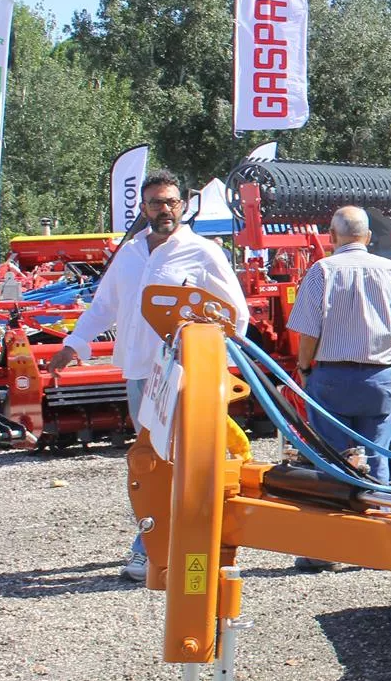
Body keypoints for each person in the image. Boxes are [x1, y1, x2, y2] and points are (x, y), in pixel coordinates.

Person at [48, 171, 250, 581]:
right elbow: (103, 306)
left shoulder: (202, 253)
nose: (165, 209)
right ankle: (162, 542)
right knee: (151, 461)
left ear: (183, 205)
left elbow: (236, 314)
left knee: (170, 460)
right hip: (140, 372)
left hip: (184, 376)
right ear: (143, 208)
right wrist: (73, 344)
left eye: (171, 202)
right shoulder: (130, 254)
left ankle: (152, 548)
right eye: (156, 203)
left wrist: (213, 363)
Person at [288, 205, 391, 486]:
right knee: (376, 459)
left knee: (334, 460)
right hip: (380, 378)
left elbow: (308, 334)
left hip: (331, 380)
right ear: (368, 236)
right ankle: (378, 507)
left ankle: (340, 509)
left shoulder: (321, 271)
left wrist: (304, 369)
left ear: (331, 235)